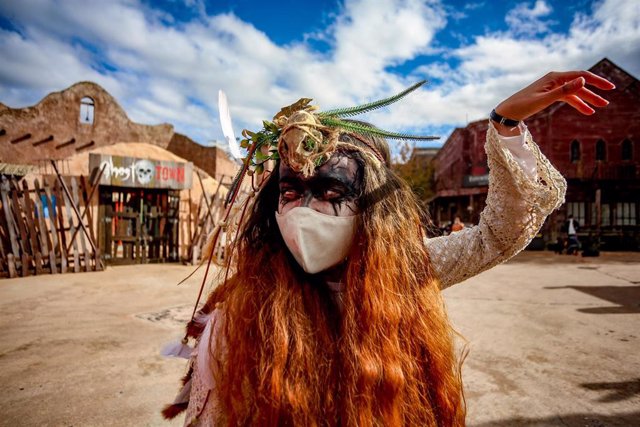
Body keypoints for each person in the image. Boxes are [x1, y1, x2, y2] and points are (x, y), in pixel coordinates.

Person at [164, 71, 613, 426]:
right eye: (290, 191)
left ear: (372, 206)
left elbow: (499, 234)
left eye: (331, 193)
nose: (304, 210)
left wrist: (506, 124)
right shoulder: (241, 311)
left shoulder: (406, 268)